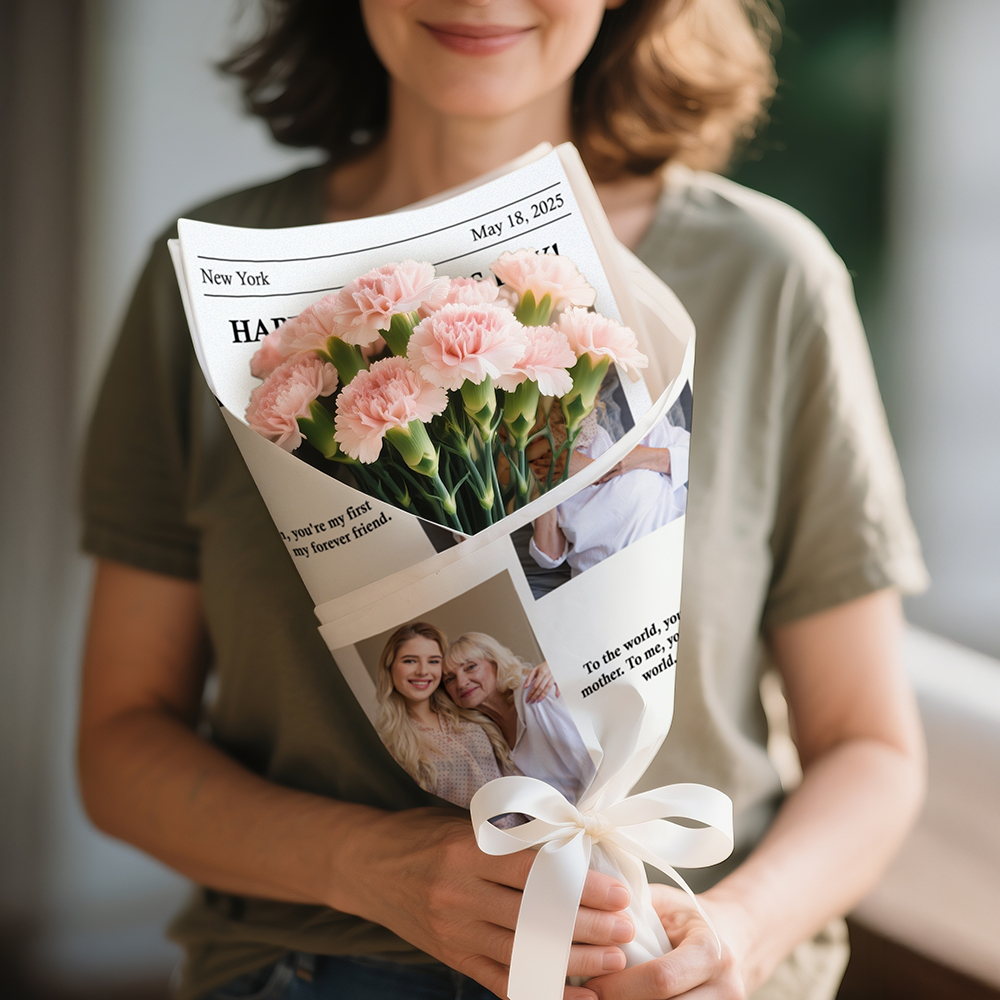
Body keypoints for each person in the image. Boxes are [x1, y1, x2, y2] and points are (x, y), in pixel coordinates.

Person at [77, 1, 929, 999]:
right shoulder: (206, 287)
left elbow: (868, 746)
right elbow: (119, 741)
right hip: (320, 968)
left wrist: (739, 930)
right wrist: (370, 865)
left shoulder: (765, 279)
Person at [530, 413, 690, 580]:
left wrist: (599, 468)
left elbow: (692, 458)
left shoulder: (625, 417)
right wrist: (546, 491)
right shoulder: (537, 472)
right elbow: (549, 558)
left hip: (671, 539)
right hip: (613, 577)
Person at [443, 633, 596, 804]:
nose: (461, 683)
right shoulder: (483, 739)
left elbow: (594, 767)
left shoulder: (539, 693)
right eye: (449, 679)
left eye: (470, 667)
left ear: (496, 664)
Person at [374, 622, 512, 809]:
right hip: (474, 837)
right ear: (389, 668)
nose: (423, 671)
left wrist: (549, 670)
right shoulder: (392, 749)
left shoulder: (467, 704)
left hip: (532, 821)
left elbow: (514, 696)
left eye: (433, 661)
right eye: (410, 660)